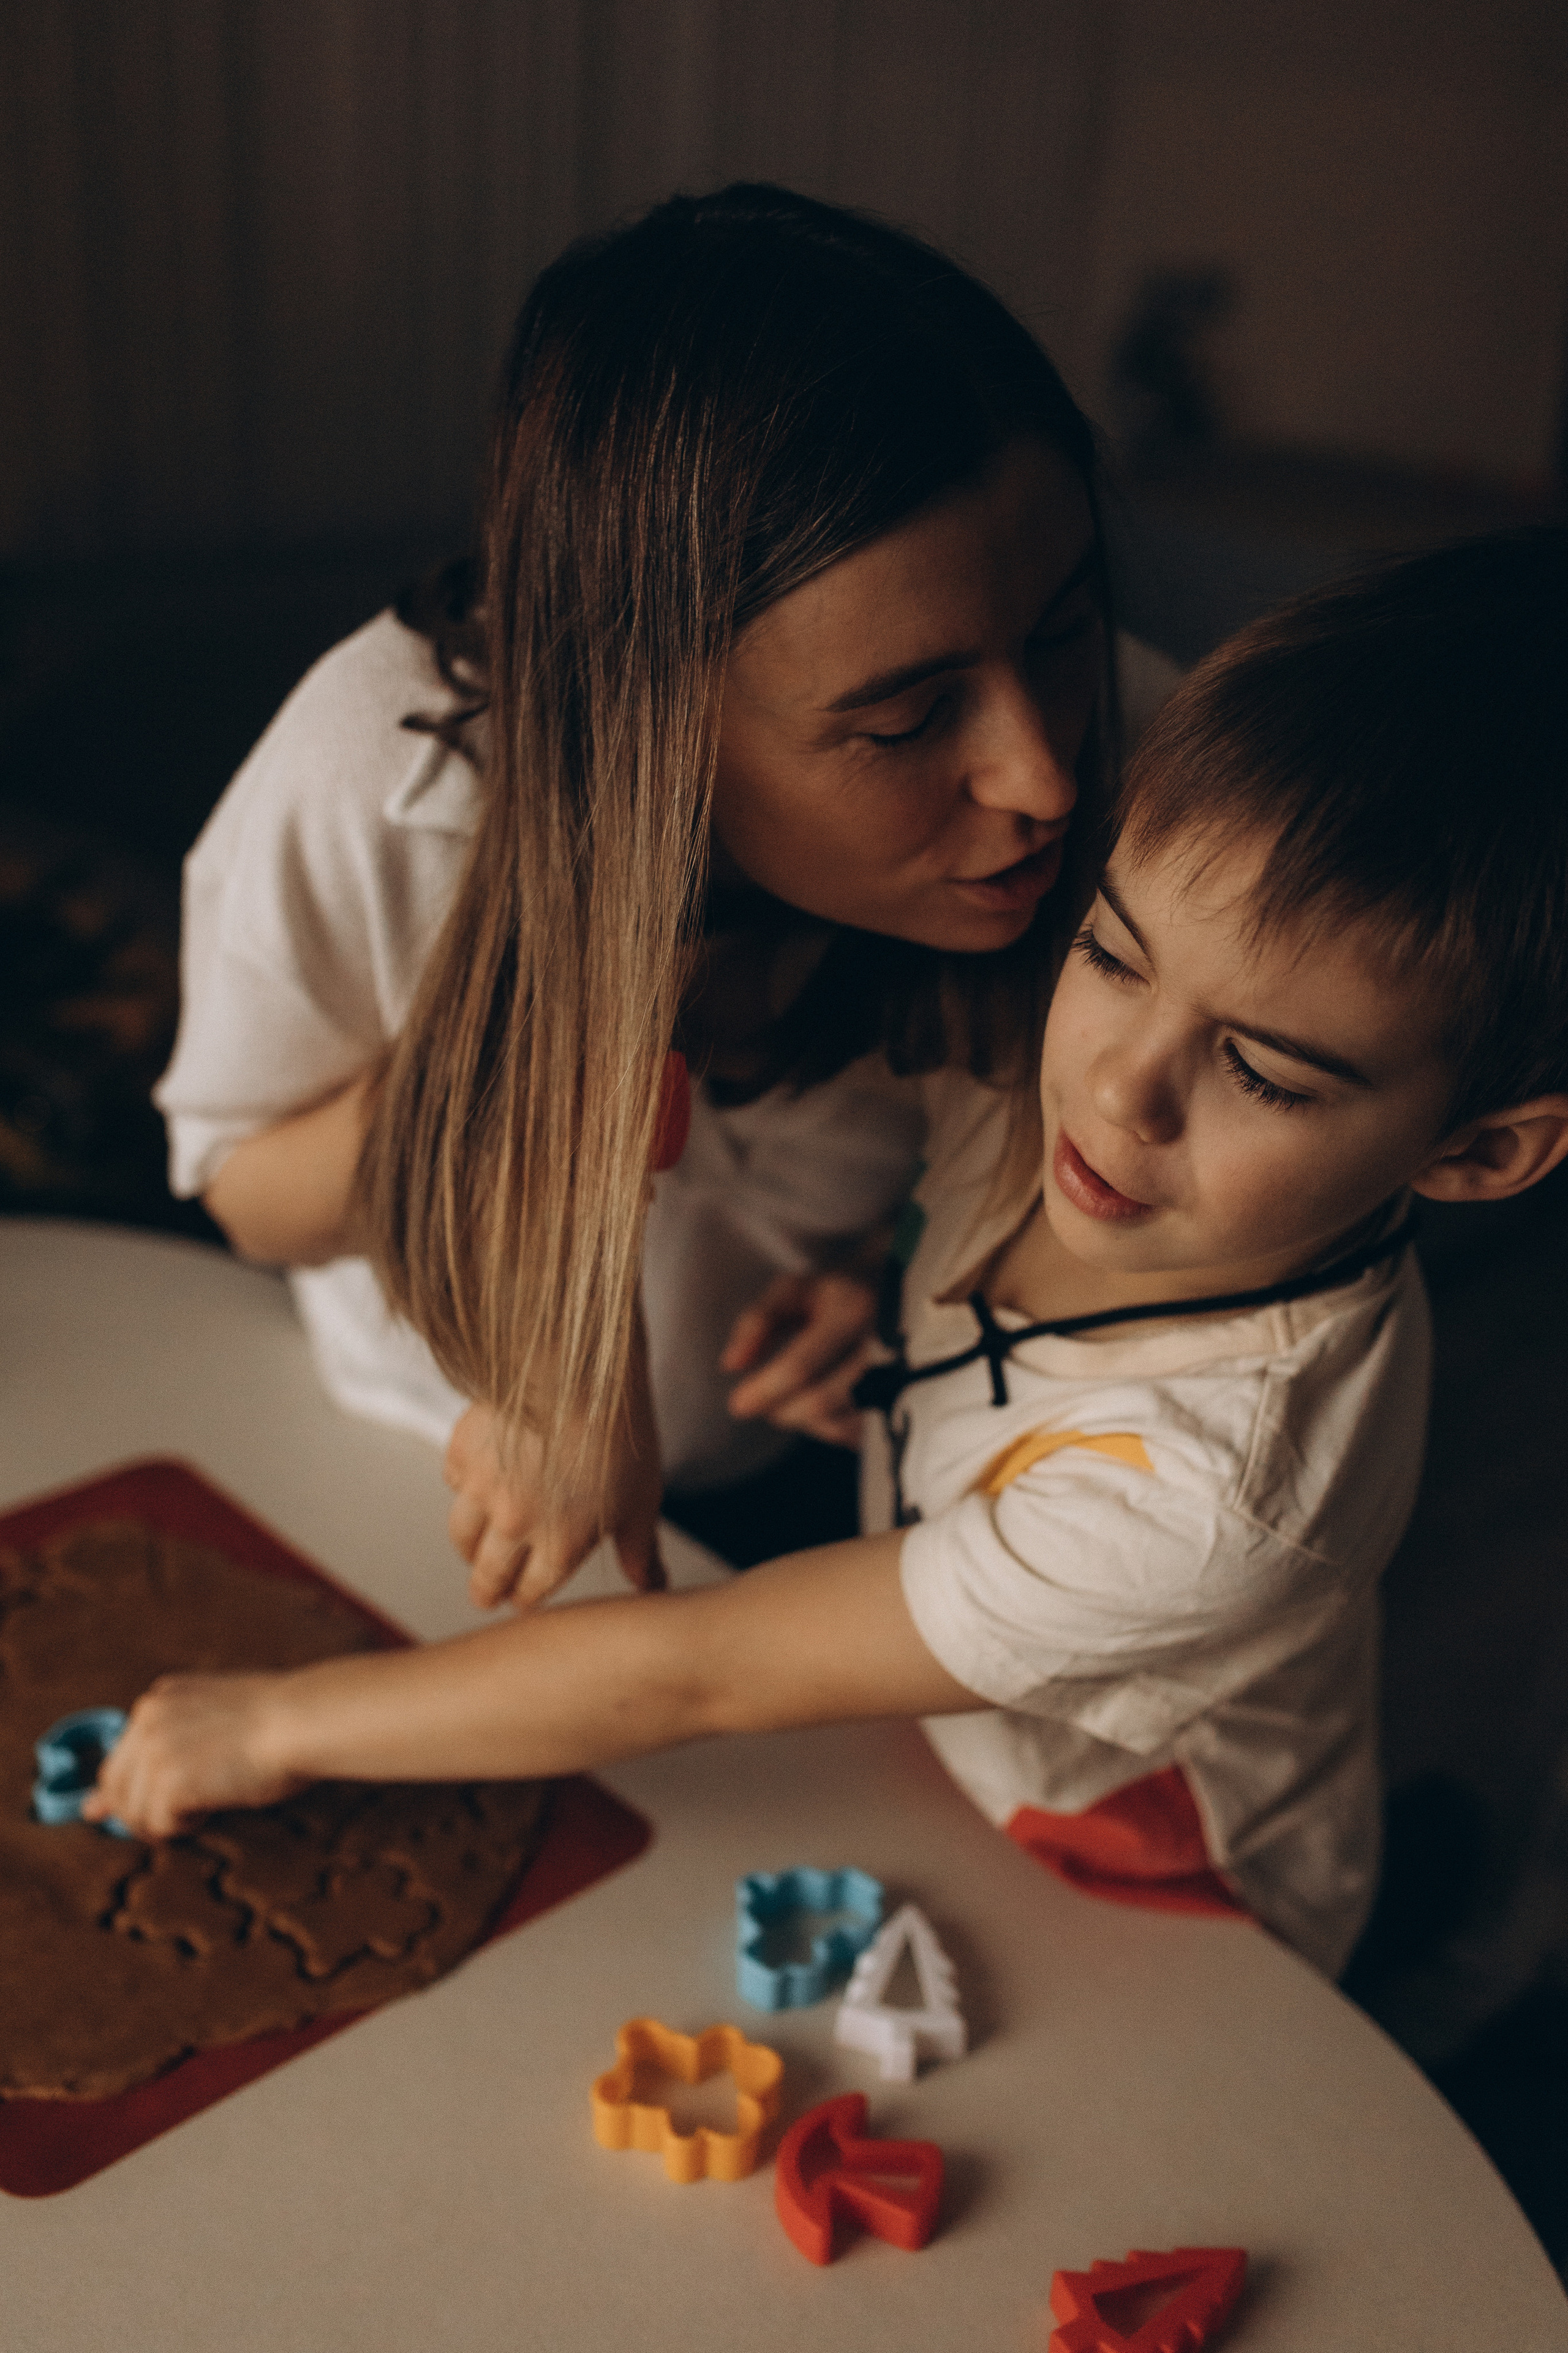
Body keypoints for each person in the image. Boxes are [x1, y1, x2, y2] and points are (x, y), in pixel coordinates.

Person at [100, 531, 1568, 1975]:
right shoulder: (1041, 1067)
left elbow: (698, 1669)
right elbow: (642, 1021)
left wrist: (278, 1726)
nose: (1119, 1090)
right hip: (945, 1749)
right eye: (1111, 955)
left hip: (1153, 1887)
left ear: (1478, 1152)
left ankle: (1448, 1924)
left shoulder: (1211, 1502)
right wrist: (825, 1299)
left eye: (1264, 1072)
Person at [154, 182, 1177, 1608]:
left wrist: (905, 1294)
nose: (1042, 777)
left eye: (1064, 626)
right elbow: (247, 1198)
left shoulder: (1130, 739)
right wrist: (537, 1198)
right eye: (902, 720)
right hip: (415, 1474)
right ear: (653, 719)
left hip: (838, 1480)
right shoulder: (384, 788)